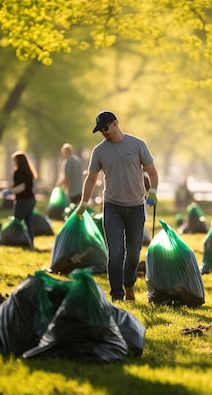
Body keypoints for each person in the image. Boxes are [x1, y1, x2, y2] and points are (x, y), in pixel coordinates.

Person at [75, 110, 159, 301]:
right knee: (115, 254)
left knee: (133, 254)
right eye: (100, 130)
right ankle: (116, 295)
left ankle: (128, 284)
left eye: (105, 128)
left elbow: (152, 172)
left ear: (115, 123)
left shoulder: (137, 144)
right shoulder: (99, 151)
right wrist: (83, 204)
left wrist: (152, 192)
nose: (103, 132)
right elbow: (91, 179)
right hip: (112, 207)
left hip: (137, 207)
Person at [6, 151, 37, 249]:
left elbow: (21, 187)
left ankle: (16, 241)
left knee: (17, 222)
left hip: (22, 200)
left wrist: (10, 191)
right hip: (31, 200)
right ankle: (30, 242)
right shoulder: (29, 172)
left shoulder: (18, 172)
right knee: (29, 222)